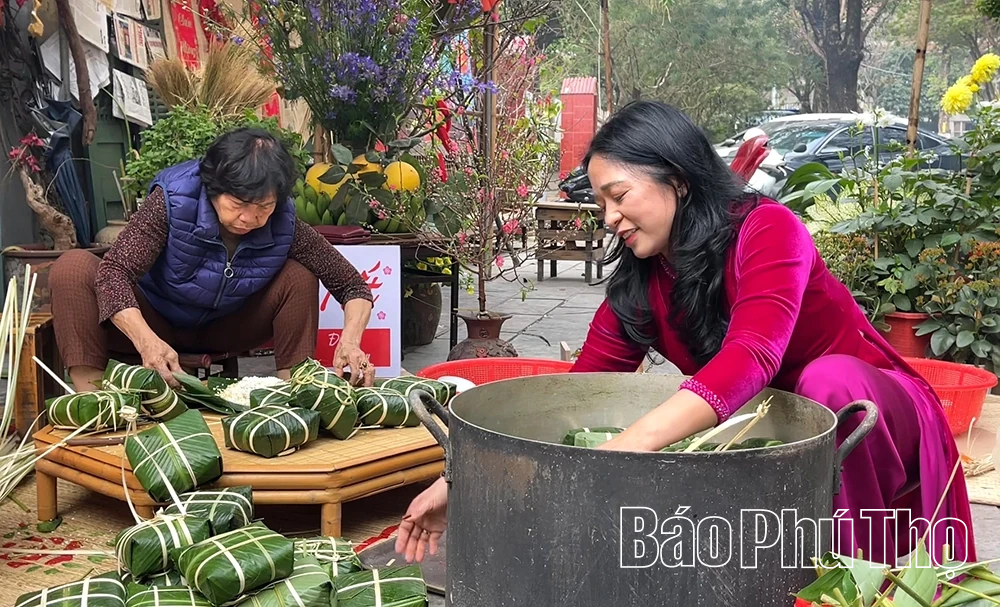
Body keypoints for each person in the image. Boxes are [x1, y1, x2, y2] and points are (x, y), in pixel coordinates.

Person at [395, 100, 977, 569]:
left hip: (866, 412)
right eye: (599, 203)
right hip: (768, 429)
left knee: (826, 380)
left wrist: (622, 449)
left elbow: (752, 356)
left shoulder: (766, 230)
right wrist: (462, 483)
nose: (608, 218)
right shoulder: (641, 282)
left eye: (619, 196)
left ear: (676, 181)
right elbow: (571, 401)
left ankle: (846, 580)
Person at [50, 127, 376, 392]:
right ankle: (93, 403)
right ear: (213, 187)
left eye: (263, 207)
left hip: (228, 325)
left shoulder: (285, 223)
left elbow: (352, 285)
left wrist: (350, 341)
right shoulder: (172, 202)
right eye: (237, 204)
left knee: (299, 275)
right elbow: (114, 273)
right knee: (73, 267)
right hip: (156, 318)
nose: (248, 218)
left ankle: (291, 394)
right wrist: (147, 340)